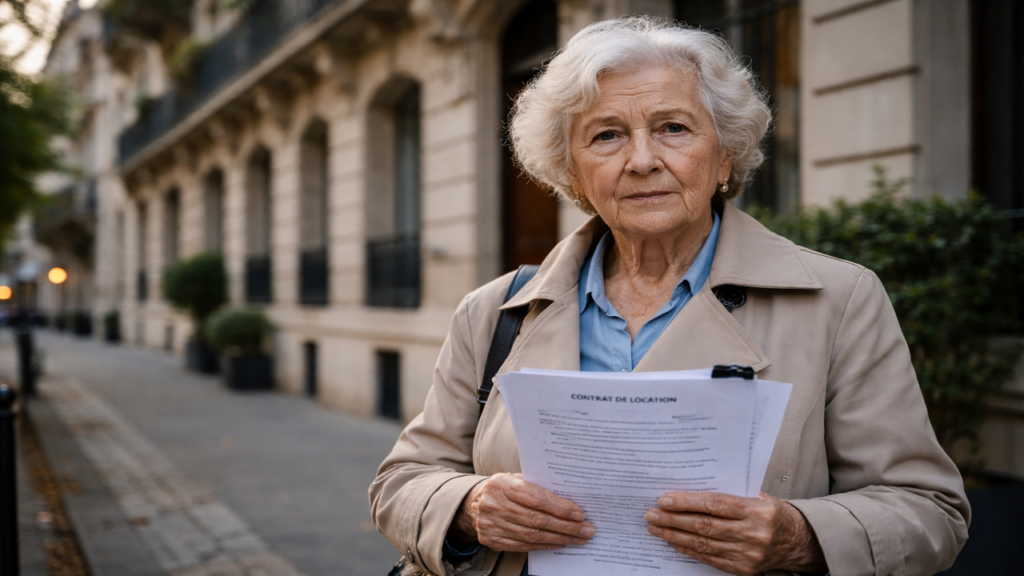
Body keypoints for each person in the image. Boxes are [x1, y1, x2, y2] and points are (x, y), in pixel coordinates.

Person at [370, 17, 969, 576]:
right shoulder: (493, 312)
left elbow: (929, 510)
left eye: (673, 128)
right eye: (607, 135)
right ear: (573, 173)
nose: (641, 160)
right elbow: (402, 481)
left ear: (724, 153)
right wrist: (470, 506)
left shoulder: (838, 301)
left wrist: (798, 535)